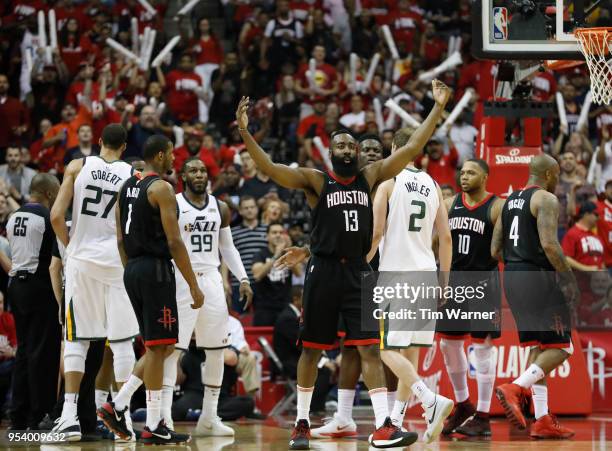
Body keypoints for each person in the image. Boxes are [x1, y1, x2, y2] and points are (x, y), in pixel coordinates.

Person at [236, 78, 451, 450]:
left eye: (352, 144)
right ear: (331, 152)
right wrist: (245, 132)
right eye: (341, 144)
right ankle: (302, 421)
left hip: (358, 271)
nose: (348, 149)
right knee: (312, 349)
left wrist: (438, 107)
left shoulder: (369, 178)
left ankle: (385, 424)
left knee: (369, 347)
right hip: (323, 272)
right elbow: (270, 168)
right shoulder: (316, 181)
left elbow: (413, 146)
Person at [99, 134, 203, 445]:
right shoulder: (162, 188)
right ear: (159, 155)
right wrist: (194, 286)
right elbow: (174, 242)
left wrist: (132, 268)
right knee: (160, 346)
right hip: (155, 269)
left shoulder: (127, 186)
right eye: (171, 154)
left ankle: (136, 413)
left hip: (132, 268)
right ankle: (132, 412)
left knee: (161, 346)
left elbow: (119, 238)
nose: (175, 159)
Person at [49, 124, 140, 441]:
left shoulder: (77, 166)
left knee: (77, 338)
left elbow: (57, 216)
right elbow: (127, 228)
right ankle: (124, 421)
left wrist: (69, 245)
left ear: (99, 142)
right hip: (116, 263)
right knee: (121, 341)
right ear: (124, 147)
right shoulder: (133, 174)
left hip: (83, 261)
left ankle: (69, 417)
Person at [367, 128, 454, 444]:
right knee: (410, 353)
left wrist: (359, 263)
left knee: (386, 349)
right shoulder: (432, 185)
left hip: (397, 275)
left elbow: (376, 234)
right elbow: (445, 237)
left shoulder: (388, 181)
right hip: (427, 274)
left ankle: (430, 400)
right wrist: (444, 280)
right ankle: (398, 421)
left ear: (393, 149)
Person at [163, 157, 253, 437]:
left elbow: (228, 248)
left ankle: (209, 418)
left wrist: (243, 278)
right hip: (182, 279)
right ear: (183, 176)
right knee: (172, 351)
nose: (199, 174)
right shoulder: (173, 203)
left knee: (215, 351)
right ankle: (163, 417)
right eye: (193, 170)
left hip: (212, 280)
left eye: (202, 170)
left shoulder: (221, 207)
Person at [492, 154, 579, 439]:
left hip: (513, 277)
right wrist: (568, 277)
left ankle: (541, 419)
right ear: (552, 175)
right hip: (538, 277)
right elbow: (550, 245)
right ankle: (516, 387)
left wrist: (518, 263)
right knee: (563, 346)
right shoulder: (546, 199)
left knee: (538, 348)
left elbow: (495, 249)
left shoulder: (507, 202)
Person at [439, 159, 504, 437]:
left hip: (483, 280)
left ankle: (484, 415)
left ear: (485, 176)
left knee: (483, 348)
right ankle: (464, 403)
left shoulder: (497, 205)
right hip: (453, 281)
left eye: (471, 172)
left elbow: (502, 247)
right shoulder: (450, 203)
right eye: (462, 172)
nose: (464, 176)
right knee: (448, 346)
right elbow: (437, 242)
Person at [6, 173, 61, 430]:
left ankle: (18, 413)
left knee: (25, 351)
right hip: (40, 287)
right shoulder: (48, 218)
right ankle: (40, 415)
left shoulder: (12, 217)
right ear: (50, 194)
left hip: (15, 286)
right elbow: (56, 258)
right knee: (44, 352)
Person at [252, 222, 299, 326]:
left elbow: (298, 273)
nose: (278, 235)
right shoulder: (260, 254)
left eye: (281, 232)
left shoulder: (287, 254)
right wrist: (276, 255)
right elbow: (257, 275)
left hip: (285, 305)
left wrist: (289, 251)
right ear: (267, 237)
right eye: (274, 232)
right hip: (264, 307)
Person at [228, 196, 268, 312]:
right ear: (240, 211)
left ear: (257, 209)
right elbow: (227, 258)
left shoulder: (267, 230)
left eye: (252, 207)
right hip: (240, 282)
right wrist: (225, 282)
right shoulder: (232, 232)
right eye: (246, 208)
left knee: (262, 320)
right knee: (240, 319)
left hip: (263, 282)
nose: (249, 210)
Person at [561, 202, 605, 272]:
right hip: (580, 280)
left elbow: (602, 261)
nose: (598, 218)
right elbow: (565, 258)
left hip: (597, 281)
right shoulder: (572, 233)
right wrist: (586, 268)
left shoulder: (596, 236)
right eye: (596, 215)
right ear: (586, 214)